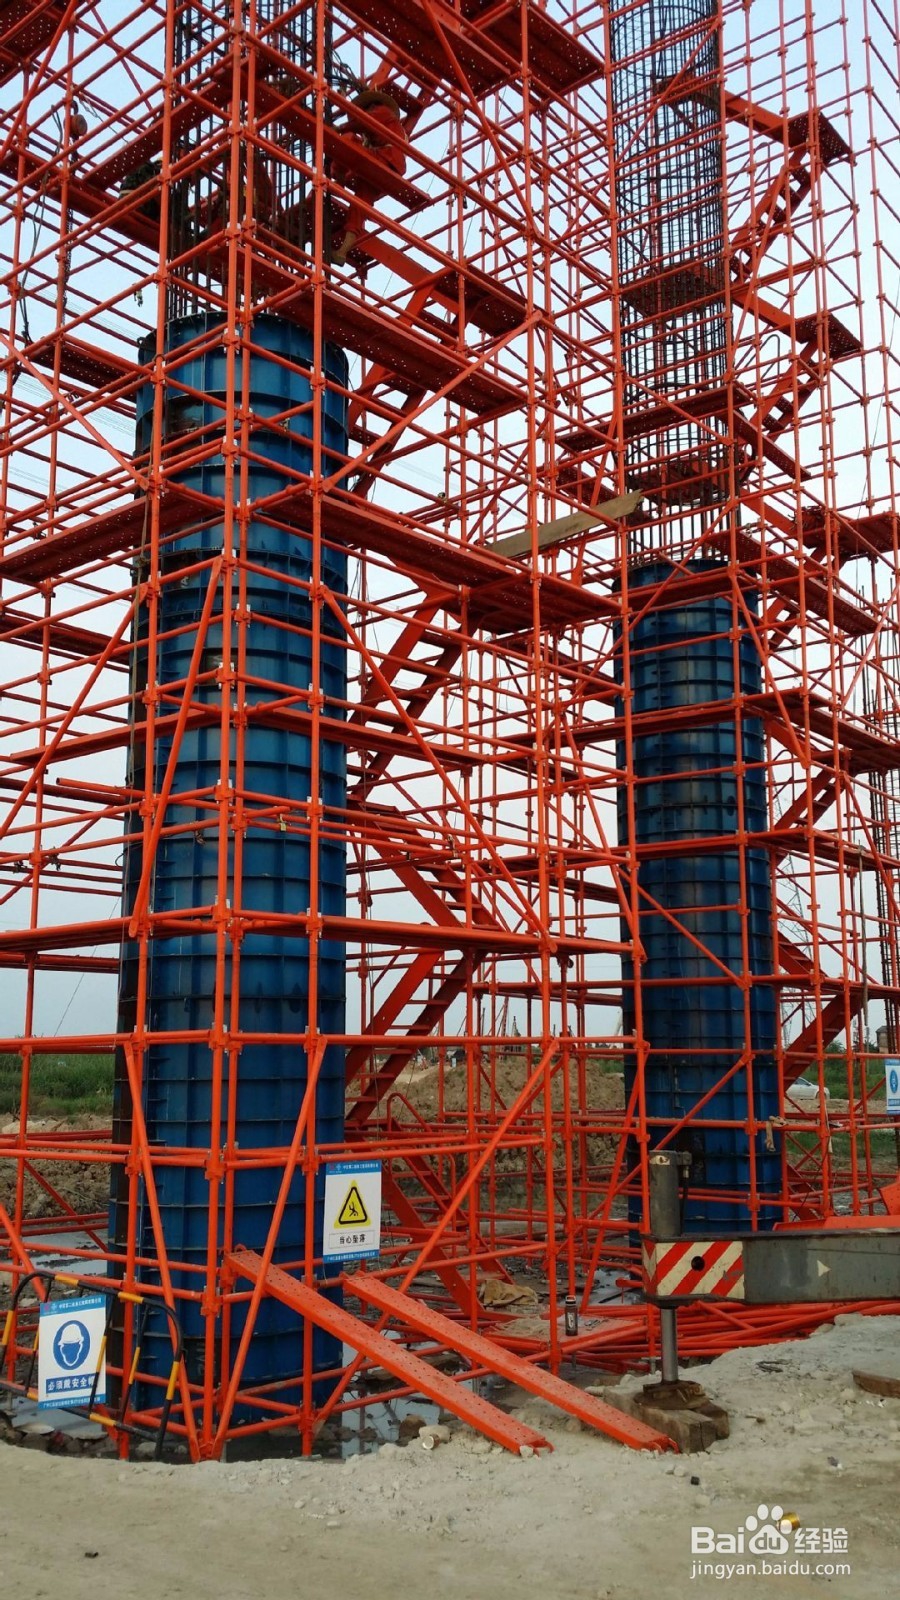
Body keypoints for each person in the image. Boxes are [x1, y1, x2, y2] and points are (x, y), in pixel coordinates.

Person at [332, 87, 407, 265]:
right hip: (384, 165)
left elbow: (362, 122)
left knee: (346, 140)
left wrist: (340, 127)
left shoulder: (382, 111)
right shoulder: (378, 126)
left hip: (385, 159)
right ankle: (342, 251)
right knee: (359, 206)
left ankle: (338, 179)